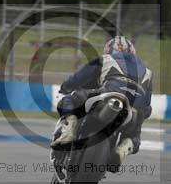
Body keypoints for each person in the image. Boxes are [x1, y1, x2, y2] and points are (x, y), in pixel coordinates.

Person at [50, 36, 152, 164]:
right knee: (134, 136)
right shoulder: (147, 72)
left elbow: (78, 78)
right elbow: (147, 107)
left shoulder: (105, 59)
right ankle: (123, 149)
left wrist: (65, 87)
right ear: (132, 51)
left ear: (108, 49)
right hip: (135, 108)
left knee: (70, 99)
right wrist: (142, 112)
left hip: (109, 94)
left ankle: (70, 128)